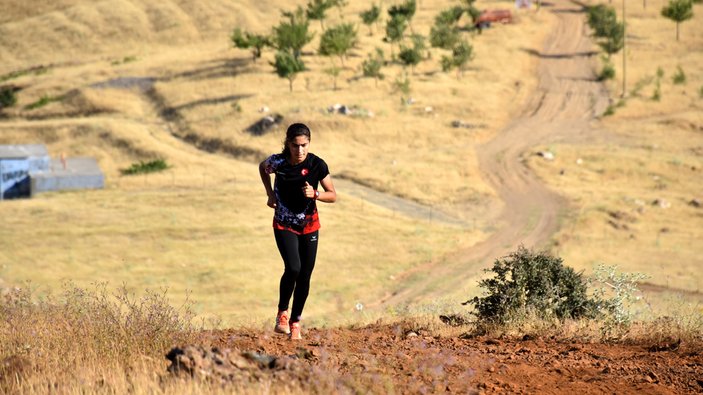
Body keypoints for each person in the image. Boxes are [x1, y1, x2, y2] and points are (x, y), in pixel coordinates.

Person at [259, 123, 337, 340]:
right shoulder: (278, 162)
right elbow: (261, 167)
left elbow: (333, 194)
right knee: (293, 267)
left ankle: (295, 322)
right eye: (295, 145)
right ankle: (282, 314)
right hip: (284, 224)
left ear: (309, 144)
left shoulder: (317, 165)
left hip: (310, 226)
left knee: (305, 275)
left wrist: (316, 194)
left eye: (304, 145)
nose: (300, 150)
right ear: (288, 144)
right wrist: (270, 194)